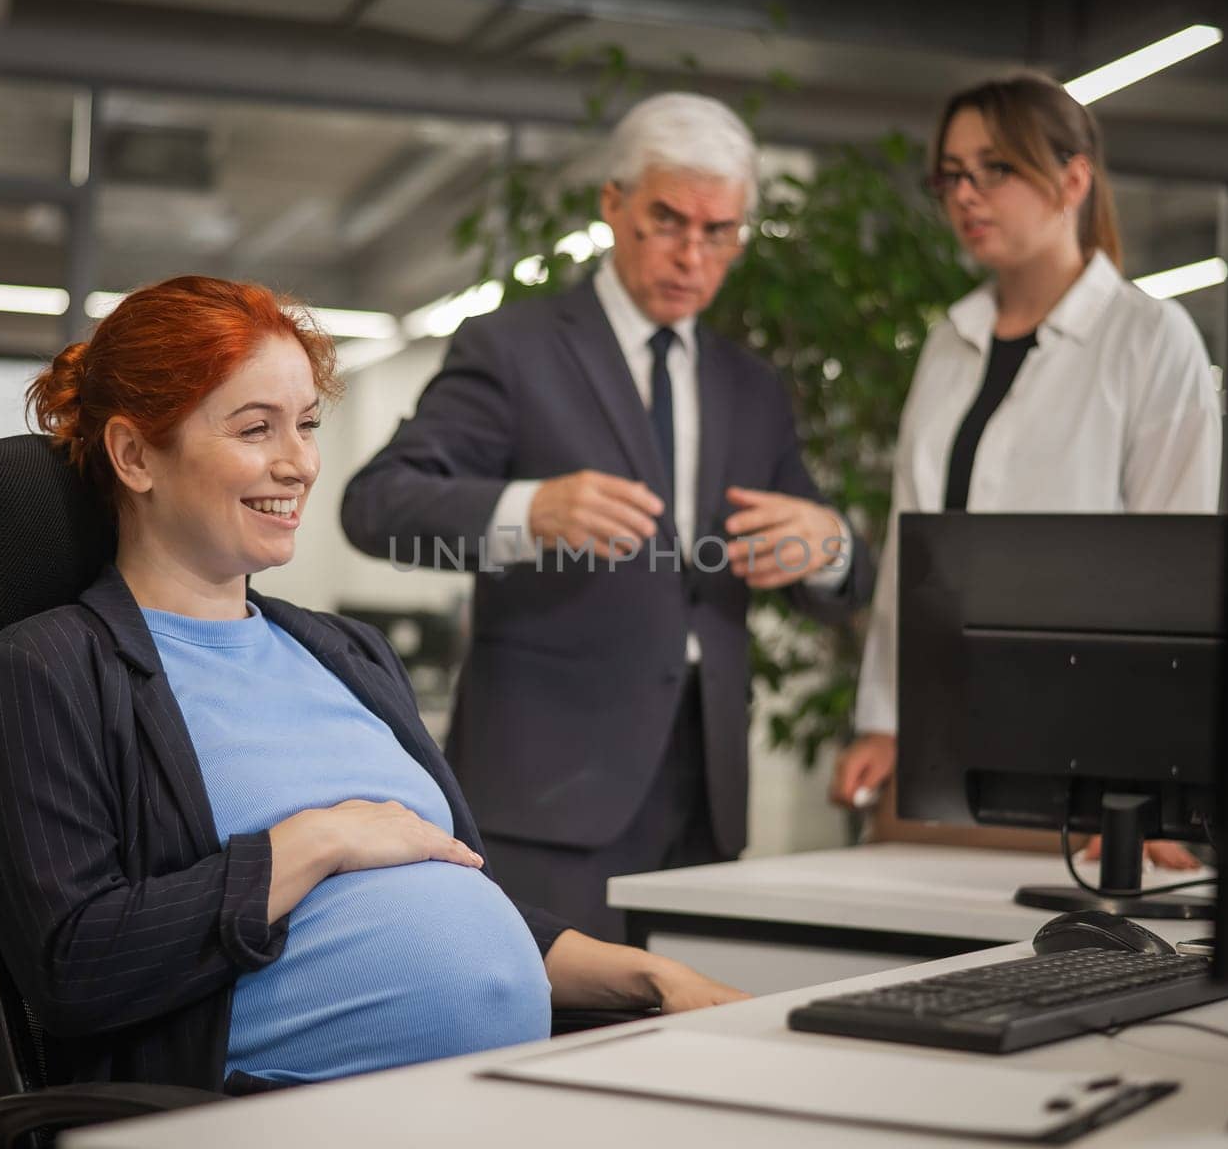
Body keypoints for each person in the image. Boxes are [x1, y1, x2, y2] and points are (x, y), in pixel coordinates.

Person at [0, 275, 746, 1096]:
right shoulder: (46, 671)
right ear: (134, 454)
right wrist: (319, 841)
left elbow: (451, 883)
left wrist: (647, 977)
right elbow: (74, 966)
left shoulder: (344, 653)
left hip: (479, 1096)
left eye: (304, 425)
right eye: (256, 428)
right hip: (260, 1112)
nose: (298, 463)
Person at [342, 93, 875, 940]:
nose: (692, 254)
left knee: (682, 1037)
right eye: (668, 220)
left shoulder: (752, 387)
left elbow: (833, 579)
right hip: (550, 790)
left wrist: (832, 547)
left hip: (707, 790)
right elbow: (377, 506)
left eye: (720, 231)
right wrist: (529, 509)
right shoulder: (512, 349)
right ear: (614, 204)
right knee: (543, 1035)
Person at [830, 73, 1221, 869]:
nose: (966, 195)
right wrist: (885, 718)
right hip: (949, 739)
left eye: (995, 170)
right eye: (951, 175)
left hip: (1090, 751)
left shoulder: (1151, 336)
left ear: (1074, 179)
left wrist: (1154, 784)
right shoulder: (949, 340)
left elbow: (1173, 580)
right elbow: (915, 551)